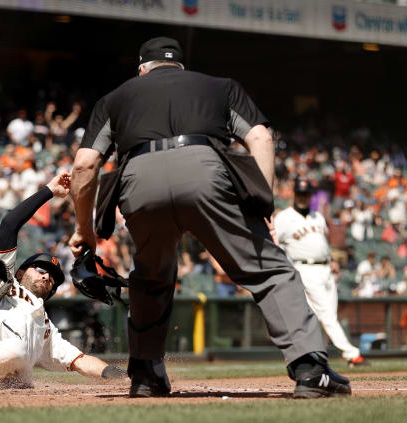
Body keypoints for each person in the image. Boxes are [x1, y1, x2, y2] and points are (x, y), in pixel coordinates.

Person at [68, 37, 350, 399]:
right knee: (269, 270)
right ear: (180, 67)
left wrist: (85, 231)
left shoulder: (116, 97)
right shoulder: (220, 86)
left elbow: (85, 164)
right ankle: (310, 370)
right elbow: (261, 138)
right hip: (205, 168)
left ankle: (146, 374)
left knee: (151, 278)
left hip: (138, 179)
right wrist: (262, 206)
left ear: (142, 69)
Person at [0, 173, 126, 388]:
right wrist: (48, 192)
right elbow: (10, 223)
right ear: (19, 273)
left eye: (53, 277)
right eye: (40, 269)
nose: (47, 276)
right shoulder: (4, 283)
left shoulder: (46, 329)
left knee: (16, 351)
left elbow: (80, 361)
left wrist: (114, 372)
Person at [271, 178, 365, 367]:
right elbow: (275, 244)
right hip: (305, 269)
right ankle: (351, 353)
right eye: (300, 193)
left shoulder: (318, 217)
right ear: (294, 194)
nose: (303, 197)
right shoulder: (284, 218)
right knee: (327, 315)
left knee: (323, 314)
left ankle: (309, 354)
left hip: (326, 270)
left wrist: (330, 259)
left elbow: (322, 243)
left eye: (307, 194)